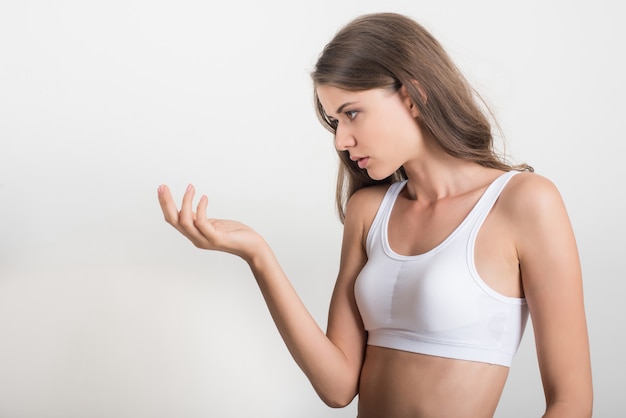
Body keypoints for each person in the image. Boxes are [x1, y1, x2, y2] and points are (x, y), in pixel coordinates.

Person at [157, 12, 592, 418]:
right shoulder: (369, 211)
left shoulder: (525, 202)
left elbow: (571, 400)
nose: (341, 140)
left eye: (351, 114)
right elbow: (338, 386)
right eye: (333, 122)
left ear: (413, 96)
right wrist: (258, 255)